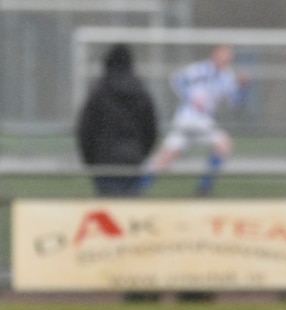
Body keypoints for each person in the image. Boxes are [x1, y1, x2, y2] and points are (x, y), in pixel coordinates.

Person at [143, 44, 244, 196]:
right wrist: (191, 97)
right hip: (189, 117)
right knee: (223, 143)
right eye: (224, 54)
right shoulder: (200, 69)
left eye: (229, 55)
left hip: (202, 119)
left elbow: (235, 101)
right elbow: (176, 80)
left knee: (168, 156)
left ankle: (138, 182)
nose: (227, 58)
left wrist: (242, 86)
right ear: (215, 53)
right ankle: (203, 187)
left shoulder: (227, 77)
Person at [74, 44, 159, 197]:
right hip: (133, 161)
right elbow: (151, 130)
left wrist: (90, 160)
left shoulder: (98, 92)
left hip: (104, 162)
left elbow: (85, 130)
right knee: (129, 212)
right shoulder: (142, 92)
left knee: (109, 208)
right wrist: (140, 153)